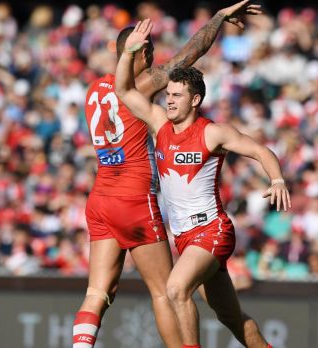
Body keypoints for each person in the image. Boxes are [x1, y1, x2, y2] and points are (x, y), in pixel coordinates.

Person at [73, 2, 263, 348]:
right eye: (151, 51)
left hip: (100, 198)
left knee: (97, 292)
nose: (155, 58)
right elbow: (191, 53)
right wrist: (219, 18)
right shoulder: (140, 86)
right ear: (140, 52)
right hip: (134, 196)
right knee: (165, 292)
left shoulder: (92, 90)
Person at [115, 20, 290, 348]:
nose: (168, 101)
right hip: (184, 238)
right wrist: (128, 52)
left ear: (194, 100)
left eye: (176, 96)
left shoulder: (213, 132)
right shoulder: (159, 124)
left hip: (212, 230)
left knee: (176, 289)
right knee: (231, 318)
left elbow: (259, 150)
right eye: (167, 95)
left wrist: (277, 178)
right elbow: (124, 90)